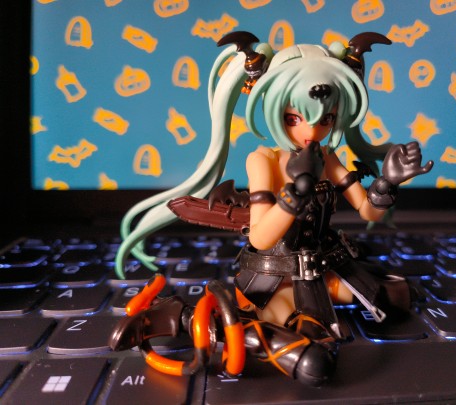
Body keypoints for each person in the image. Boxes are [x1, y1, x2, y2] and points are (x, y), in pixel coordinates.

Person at [112, 31, 433, 386]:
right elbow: (262, 237)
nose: (312, 131)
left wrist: (387, 184)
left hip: (323, 269)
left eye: (326, 119)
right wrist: (294, 194)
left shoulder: (327, 158)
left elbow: (368, 212)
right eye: (295, 118)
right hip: (275, 278)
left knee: (399, 298)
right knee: (314, 361)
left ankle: (196, 318)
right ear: (274, 110)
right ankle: (187, 317)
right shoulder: (262, 160)